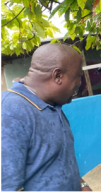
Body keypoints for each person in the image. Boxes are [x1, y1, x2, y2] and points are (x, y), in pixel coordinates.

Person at [1, 43, 92, 191]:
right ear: (58, 76)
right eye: (78, 76)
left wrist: (81, 185)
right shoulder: (10, 113)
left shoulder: (52, 105)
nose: (79, 83)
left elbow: (56, 159)